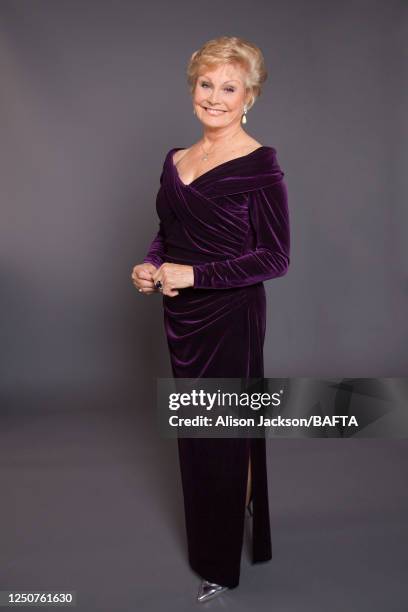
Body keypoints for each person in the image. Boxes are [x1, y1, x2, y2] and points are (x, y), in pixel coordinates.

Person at [131, 35, 290, 603]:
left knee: (221, 436)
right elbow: (168, 232)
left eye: (230, 87)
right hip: (181, 320)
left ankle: (219, 563)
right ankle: (237, 501)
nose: (215, 97)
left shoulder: (260, 165)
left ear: (249, 97)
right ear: (193, 88)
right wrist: (152, 266)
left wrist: (190, 276)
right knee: (199, 436)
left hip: (230, 315)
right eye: (207, 84)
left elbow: (276, 257)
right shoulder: (175, 160)